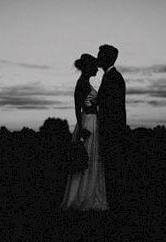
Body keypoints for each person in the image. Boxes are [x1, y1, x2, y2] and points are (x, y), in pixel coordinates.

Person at [61, 54, 109, 211]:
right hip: (87, 122)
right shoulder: (82, 83)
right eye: (94, 66)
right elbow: (77, 107)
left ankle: (90, 194)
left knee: (91, 159)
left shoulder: (85, 82)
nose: (97, 69)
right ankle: (81, 197)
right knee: (84, 158)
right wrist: (82, 130)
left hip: (92, 121)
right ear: (89, 68)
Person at [95, 44, 127, 212]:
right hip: (109, 131)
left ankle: (116, 206)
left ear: (107, 58)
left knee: (113, 169)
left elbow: (114, 109)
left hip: (112, 133)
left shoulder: (114, 78)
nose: (97, 57)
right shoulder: (109, 76)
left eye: (100, 54)